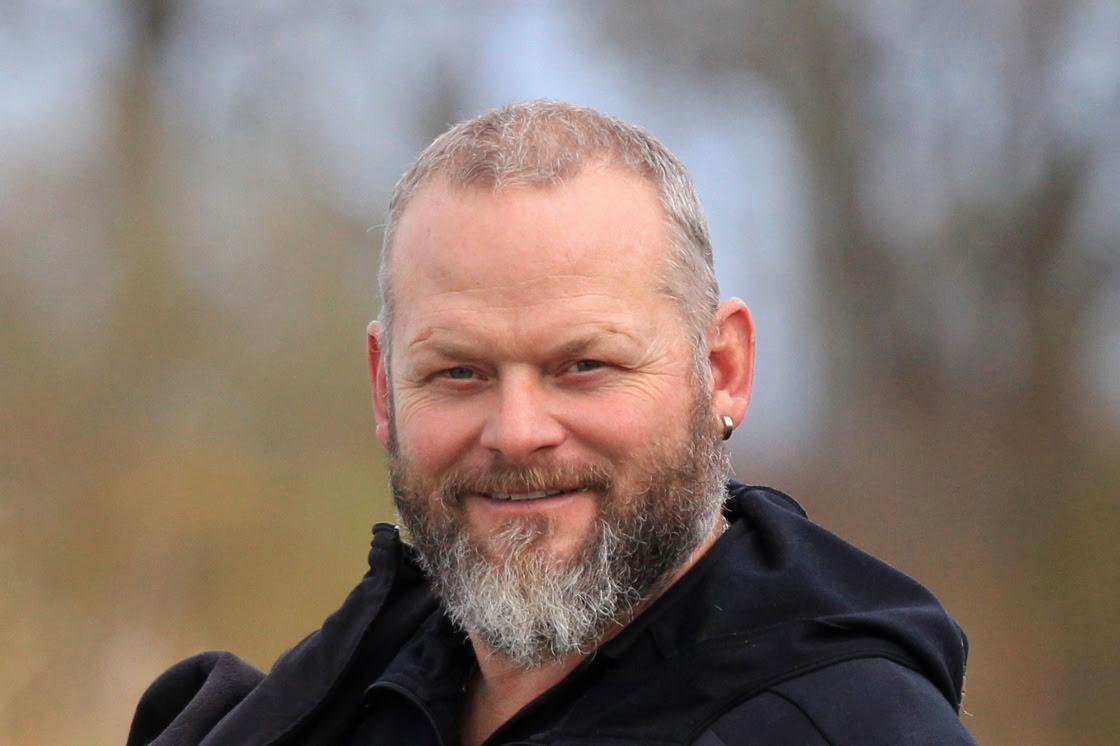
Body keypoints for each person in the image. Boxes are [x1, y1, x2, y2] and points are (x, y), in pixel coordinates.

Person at [127, 100, 978, 745]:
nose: (517, 431)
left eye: (584, 366)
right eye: (459, 372)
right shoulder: (322, 706)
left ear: (722, 369)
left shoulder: (842, 726)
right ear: (384, 390)